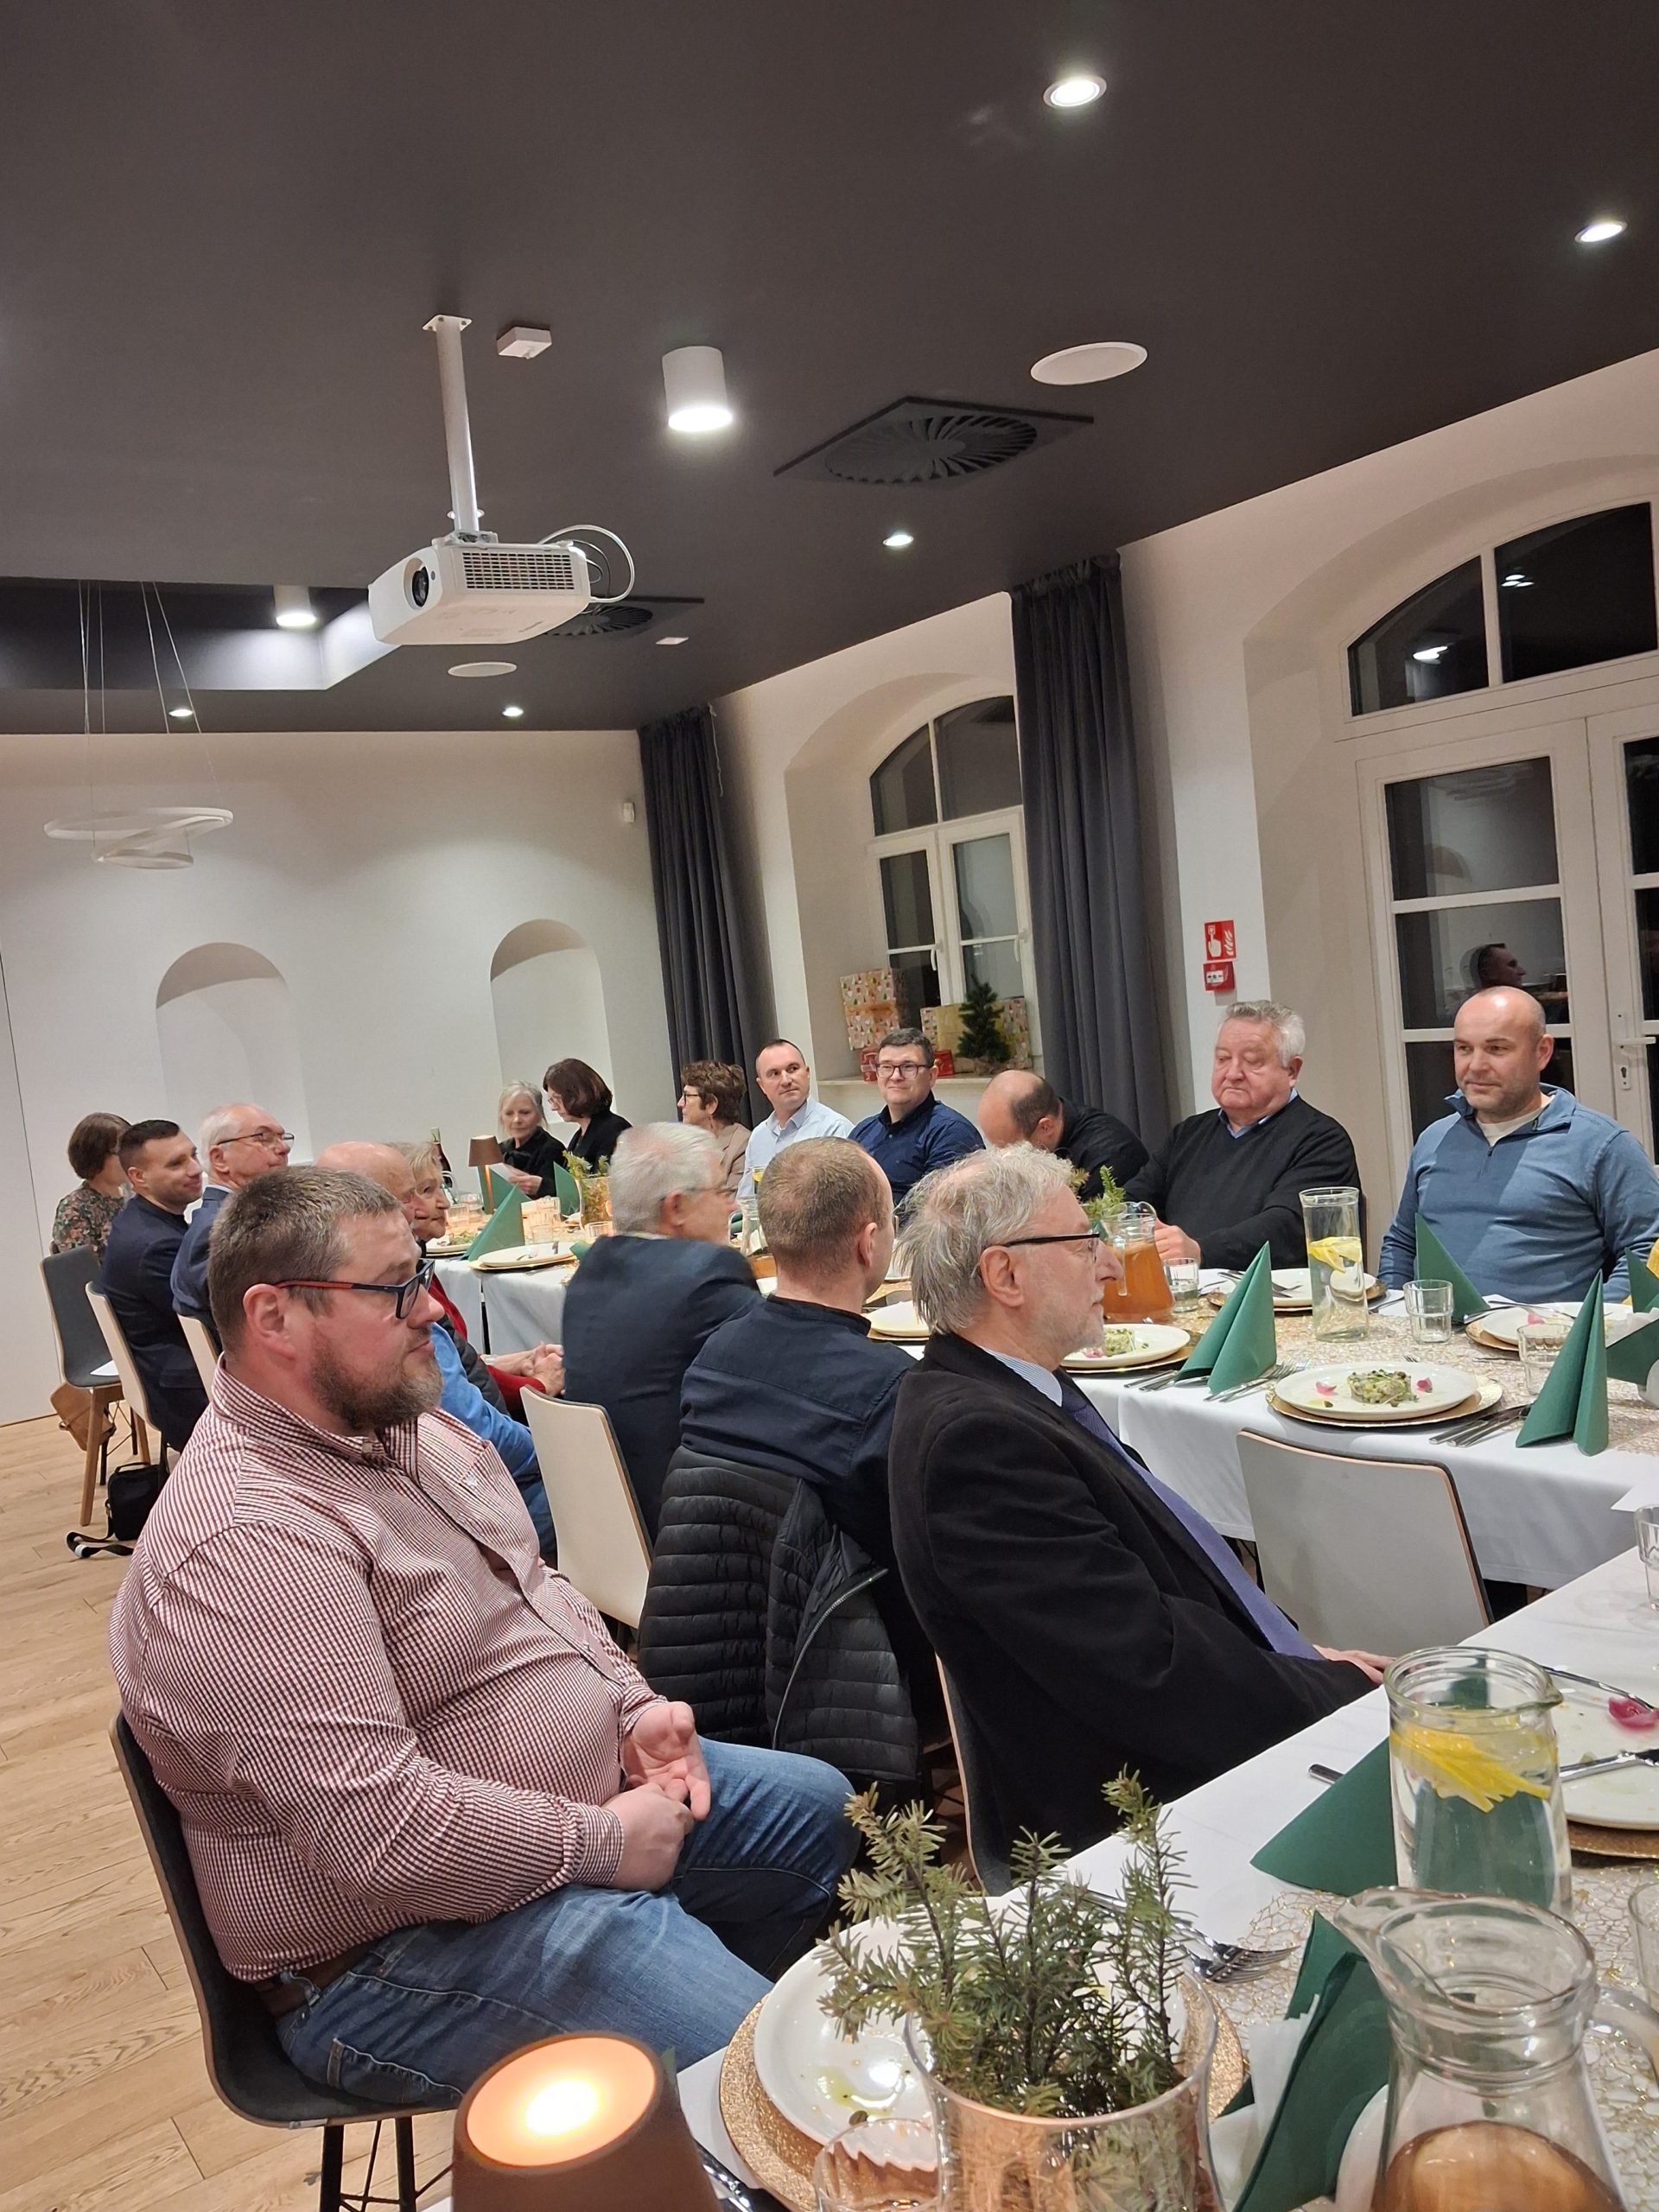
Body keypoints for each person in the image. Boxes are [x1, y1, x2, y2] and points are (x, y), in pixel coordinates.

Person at [108, 1165, 855, 2100]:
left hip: (561, 1824)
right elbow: (379, 1838)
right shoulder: (249, 1539)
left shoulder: (407, 1430)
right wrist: (600, 1846)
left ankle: (677, 2104)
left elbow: (540, 1589)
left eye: (421, 1274)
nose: (430, 1307)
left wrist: (630, 1709)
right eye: (395, 1289)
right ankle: (714, 2088)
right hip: (390, 1951)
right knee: (779, 2076)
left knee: (821, 1810)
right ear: (275, 1319)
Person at [889, 1146, 1379, 1853]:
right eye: (1083, 1243)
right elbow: (1153, 1673)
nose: (1111, 1266)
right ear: (1005, 1275)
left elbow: (1155, 1602)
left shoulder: (1014, 1390)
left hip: (1185, 1732)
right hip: (1145, 1817)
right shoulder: (978, 1446)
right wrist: (1331, 1691)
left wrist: (1292, 1658)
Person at [681, 1139, 912, 1571]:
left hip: (723, 1596)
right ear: (869, 1243)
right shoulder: (890, 1390)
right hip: (847, 1610)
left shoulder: (711, 1358)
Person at [316, 1141, 556, 1552]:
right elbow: (473, 1432)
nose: (429, 1205)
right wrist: (552, 1446)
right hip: (475, 1502)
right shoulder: (382, 1310)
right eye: (411, 1195)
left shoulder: (367, 1297)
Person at [1379, 986, 1659, 1303]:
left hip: (1547, 1332)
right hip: (1436, 1329)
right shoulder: (1435, 1139)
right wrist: (1392, 1312)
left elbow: (1648, 1251)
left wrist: (1590, 1324)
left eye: (1496, 1049)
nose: (1476, 1065)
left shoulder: (1601, 1145)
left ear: (1542, 1052)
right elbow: (1403, 1241)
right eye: (1464, 1049)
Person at [562, 1123, 759, 1535]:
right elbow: (783, 1371)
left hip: (605, 1522)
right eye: (722, 1192)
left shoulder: (591, 1269)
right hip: (688, 1530)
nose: (731, 1207)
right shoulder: (707, 1274)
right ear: (677, 1208)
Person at [1126, 1001, 1361, 1270]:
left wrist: (1200, 1250)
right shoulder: (1188, 1134)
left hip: (1275, 1292)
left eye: (1252, 1061)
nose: (1233, 1073)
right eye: (1223, 1059)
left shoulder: (1323, 1141)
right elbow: (1134, 1199)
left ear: (1292, 1070)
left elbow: (1286, 1229)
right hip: (1184, 1287)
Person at [398, 1140, 564, 1410]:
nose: (444, 1203)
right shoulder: (407, 1283)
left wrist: (513, 1362)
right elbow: (457, 1388)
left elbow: (462, 1362)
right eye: (428, 1191)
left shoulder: (420, 1268)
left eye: (441, 1188)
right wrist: (540, 1385)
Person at [99, 1120, 208, 1453]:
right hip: (189, 1395)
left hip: (174, 1375)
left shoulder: (142, 1219)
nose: (196, 1169)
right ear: (138, 1177)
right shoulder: (155, 1245)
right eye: (176, 1163)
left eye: (193, 1155)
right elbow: (214, 1321)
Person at [170, 1104, 294, 1321]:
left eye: (283, 1138)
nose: (283, 1148)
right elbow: (247, 1320)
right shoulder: (219, 1228)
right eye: (264, 1138)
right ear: (219, 1158)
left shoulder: (234, 1217)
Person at [849, 1028, 982, 1209]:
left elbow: (936, 1214)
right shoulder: (863, 1131)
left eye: (908, 1067)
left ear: (932, 1076)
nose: (896, 1076)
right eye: (886, 1067)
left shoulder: (952, 1133)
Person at [976, 1070, 1148, 1200]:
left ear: (1046, 1127)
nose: (1002, 1157)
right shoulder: (1055, 1120)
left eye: (1008, 1147)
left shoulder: (1109, 1160)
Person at [737, 1038, 852, 1202]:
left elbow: (844, 1203)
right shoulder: (758, 1137)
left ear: (807, 1073)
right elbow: (747, 1202)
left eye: (792, 1069)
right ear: (762, 1086)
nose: (786, 1080)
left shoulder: (834, 1130)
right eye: (774, 1074)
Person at [51, 1111, 130, 1255]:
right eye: (121, 1152)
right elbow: (81, 1267)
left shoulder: (136, 1193)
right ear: (96, 1155)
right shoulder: (75, 1208)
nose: (130, 1159)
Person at [678, 1059, 751, 1197]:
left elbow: (731, 1204)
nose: (680, 1103)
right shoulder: (684, 1145)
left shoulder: (743, 1146)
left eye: (687, 1096)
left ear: (711, 1105)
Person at [544, 1058, 631, 1171]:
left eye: (558, 1099)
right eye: (551, 1101)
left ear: (579, 1094)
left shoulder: (614, 1128)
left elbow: (605, 1176)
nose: (553, 1107)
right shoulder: (579, 1135)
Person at [493, 1082, 567, 1196]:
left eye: (525, 1113)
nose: (517, 1120)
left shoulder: (552, 1149)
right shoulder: (498, 1151)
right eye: (509, 1113)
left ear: (539, 1114)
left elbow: (563, 1196)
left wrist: (542, 1187)